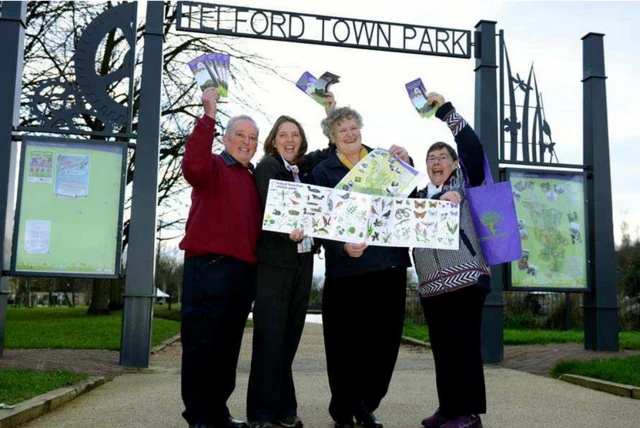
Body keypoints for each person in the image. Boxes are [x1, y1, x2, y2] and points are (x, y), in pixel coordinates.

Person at [309, 106, 412, 428]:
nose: (350, 134)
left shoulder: (385, 162)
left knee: (383, 345)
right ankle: (343, 409)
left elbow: (411, 200)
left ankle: (366, 403)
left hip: (388, 266)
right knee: (344, 347)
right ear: (332, 137)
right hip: (347, 272)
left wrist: (408, 164)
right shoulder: (323, 172)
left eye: (354, 127)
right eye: (343, 131)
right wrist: (341, 246)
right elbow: (318, 221)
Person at [247, 97, 334, 428]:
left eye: (295, 134)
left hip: (303, 262)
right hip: (274, 262)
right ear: (273, 139)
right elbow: (276, 208)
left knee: (289, 339)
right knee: (270, 337)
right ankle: (262, 414)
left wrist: (330, 111)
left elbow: (331, 149)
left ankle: (285, 410)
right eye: (283, 134)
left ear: (301, 141)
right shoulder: (269, 166)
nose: (289, 139)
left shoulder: (303, 169)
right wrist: (289, 231)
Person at [179, 87, 260, 428]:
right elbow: (192, 164)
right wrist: (209, 115)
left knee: (227, 348)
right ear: (225, 139)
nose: (246, 142)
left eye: (253, 138)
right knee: (202, 345)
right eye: (240, 135)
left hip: (243, 273)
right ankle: (200, 416)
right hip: (209, 266)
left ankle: (218, 411)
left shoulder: (252, 178)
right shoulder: (211, 166)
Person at [413, 93, 490, 428]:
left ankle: (468, 414)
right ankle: (448, 408)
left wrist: (446, 112)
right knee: (443, 351)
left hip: (466, 280)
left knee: (464, 348)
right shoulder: (418, 196)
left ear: (454, 163)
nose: (436, 162)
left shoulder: (465, 182)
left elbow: (472, 148)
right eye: (431, 159)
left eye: (443, 157)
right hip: (432, 287)